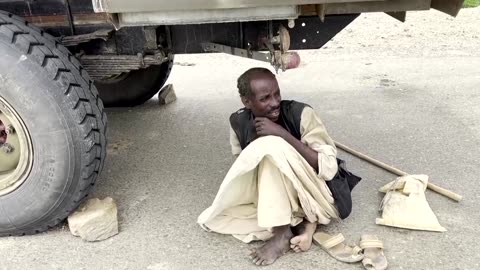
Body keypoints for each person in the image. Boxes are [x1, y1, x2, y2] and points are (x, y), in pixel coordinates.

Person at [197, 67, 358, 266]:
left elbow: (328, 168)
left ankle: (282, 233)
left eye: (277, 94)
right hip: (277, 195)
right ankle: (303, 227)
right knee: (215, 217)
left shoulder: (302, 113)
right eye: (265, 98)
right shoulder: (238, 122)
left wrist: (282, 135)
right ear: (246, 101)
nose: (274, 103)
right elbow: (244, 170)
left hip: (317, 194)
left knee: (269, 145)